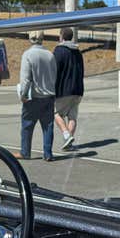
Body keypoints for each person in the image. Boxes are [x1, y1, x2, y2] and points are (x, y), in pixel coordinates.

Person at [14, 30, 57, 162]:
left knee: (27, 124)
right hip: (49, 96)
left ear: (30, 38)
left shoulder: (28, 54)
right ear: (42, 38)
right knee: (48, 126)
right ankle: (48, 153)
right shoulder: (50, 55)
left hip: (34, 96)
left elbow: (26, 79)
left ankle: (25, 151)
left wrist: (23, 94)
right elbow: (54, 75)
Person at [53, 27, 84, 151]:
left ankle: (66, 134)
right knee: (72, 117)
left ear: (61, 36)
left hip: (63, 89)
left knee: (55, 113)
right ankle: (69, 143)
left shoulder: (59, 51)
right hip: (77, 89)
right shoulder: (78, 52)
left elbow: (54, 70)